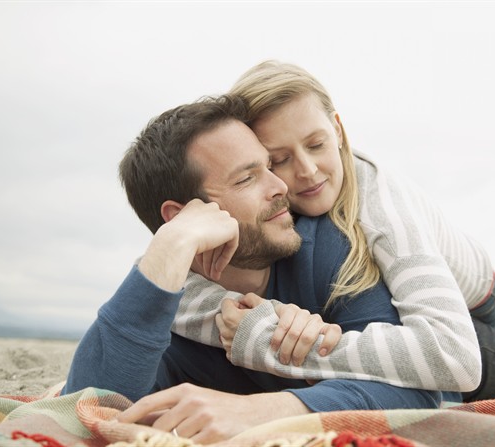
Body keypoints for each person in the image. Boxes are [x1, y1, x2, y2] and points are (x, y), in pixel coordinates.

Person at [171, 60, 495, 401]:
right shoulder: (271, 204)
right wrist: (239, 313)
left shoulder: (385, 209)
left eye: (317, 144)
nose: (307, 171)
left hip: (467, 303)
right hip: (396, 316)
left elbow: (454, 354)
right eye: (278, 159)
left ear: (339, 130)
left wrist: (271, 341)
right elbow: (169, 285)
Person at [63, 95, 443, 444]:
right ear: (181, 217)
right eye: (247, 178)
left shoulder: (329, 246)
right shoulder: (163, 312)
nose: (281, 186)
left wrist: (266, 411)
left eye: (269, 166)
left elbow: (420, 389)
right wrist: (168, 249)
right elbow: (88, 410)